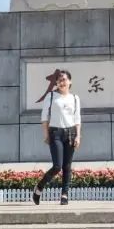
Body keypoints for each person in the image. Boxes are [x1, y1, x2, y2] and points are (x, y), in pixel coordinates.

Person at [32, 69, 82, 205]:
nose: (62, 82)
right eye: (59, 80)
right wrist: (46, 134)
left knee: (67, 166)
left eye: (64, 79)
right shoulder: (52, 96)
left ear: (70, 82)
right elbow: (44, 117)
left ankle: (64, 195)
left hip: (71, 133)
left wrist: (78, 136)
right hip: (56, 133)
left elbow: (77, 119)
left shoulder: (75, 98)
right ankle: (39, 187)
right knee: (57, 166)